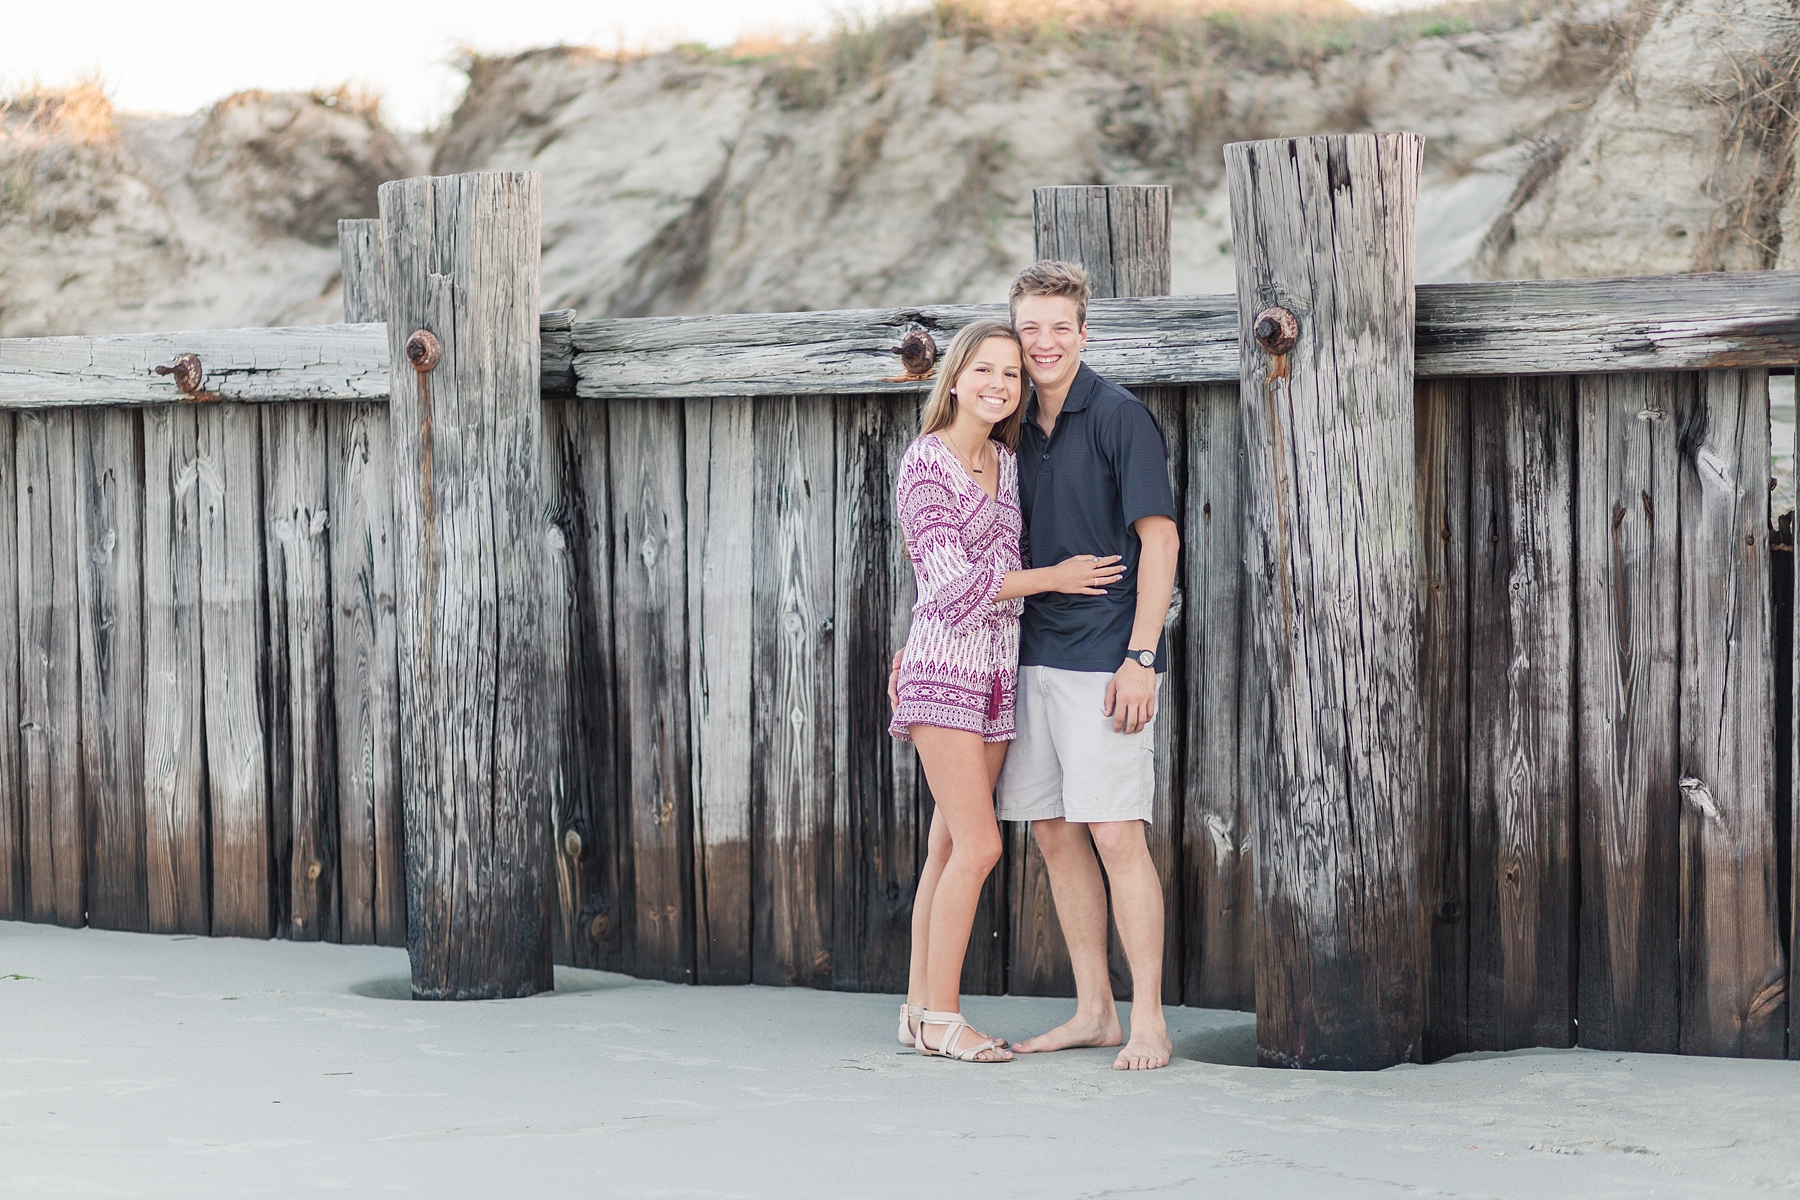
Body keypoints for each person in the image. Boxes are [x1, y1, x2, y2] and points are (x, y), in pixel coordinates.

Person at [887, 318, 1126, 1064]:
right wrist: (1055, 578)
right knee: (983, 845)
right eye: (984, 371)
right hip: (945, 673)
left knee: (950, 842)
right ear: (953, 379)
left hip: (996, 674)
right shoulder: (926, 463)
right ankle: (947, 1019)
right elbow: (954, 590)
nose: (998, 385)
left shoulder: (1006, 461)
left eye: (1011, 375)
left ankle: (917, 1010)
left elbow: (986, 576)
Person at [1000, 261, 1180, 1071]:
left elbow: (1161, 541)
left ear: (1084, 333)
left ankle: (1148, 1022)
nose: (1043, 342)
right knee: (1053, 832)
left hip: (1105, 659)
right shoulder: (1006, 425)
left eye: (1059, 327)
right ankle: (1093, 1012)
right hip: (1025, 654)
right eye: (1029, 327)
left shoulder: (1118, 417)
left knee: (1115, 832)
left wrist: (1142, 657)